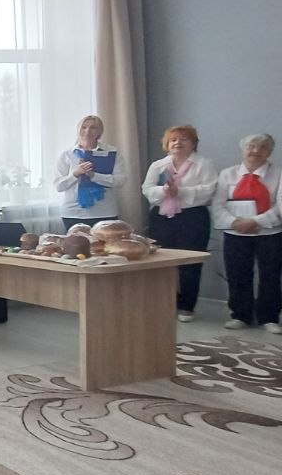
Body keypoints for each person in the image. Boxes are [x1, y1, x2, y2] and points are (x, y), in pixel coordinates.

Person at [141, 125, 217, 322]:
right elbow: (147, 188)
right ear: (167, 144)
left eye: (184, 139)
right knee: (160, 260)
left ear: (193, 144)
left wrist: (180, 192)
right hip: (161, 216)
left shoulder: (204, 164)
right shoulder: (158, 165)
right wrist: (163, 191)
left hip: (192, 217)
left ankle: (187, 307)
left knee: (190, 261)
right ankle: (164, 302)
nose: (178, 143)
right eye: (173, 139)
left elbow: (209, 190)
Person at [211, 133, 282, 333]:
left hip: (269, 233)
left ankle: (269, 317)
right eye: (251, 146)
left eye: (263, 147)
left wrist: (255, 221)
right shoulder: (227, 174)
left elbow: (280, 206)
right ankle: (240, 315)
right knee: (237, 274)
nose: (256, 151)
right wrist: (234, 222)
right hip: (236, 233)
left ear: (270, 152)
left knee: (270, 275)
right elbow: (218, 204)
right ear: (242, 150)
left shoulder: (279, 173)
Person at [55, 114, 128, 231]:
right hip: (73, 212)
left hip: (104, 211)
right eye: (84, 127)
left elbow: (120, 181)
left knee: (106, 242)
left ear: (100, 132)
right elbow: (59, 186)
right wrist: (75, 174)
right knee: (77, 243)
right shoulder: (66, 155)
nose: (87, 131)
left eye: (93, 128)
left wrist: (94, 176)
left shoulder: (112, 152)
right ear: (78, 130)